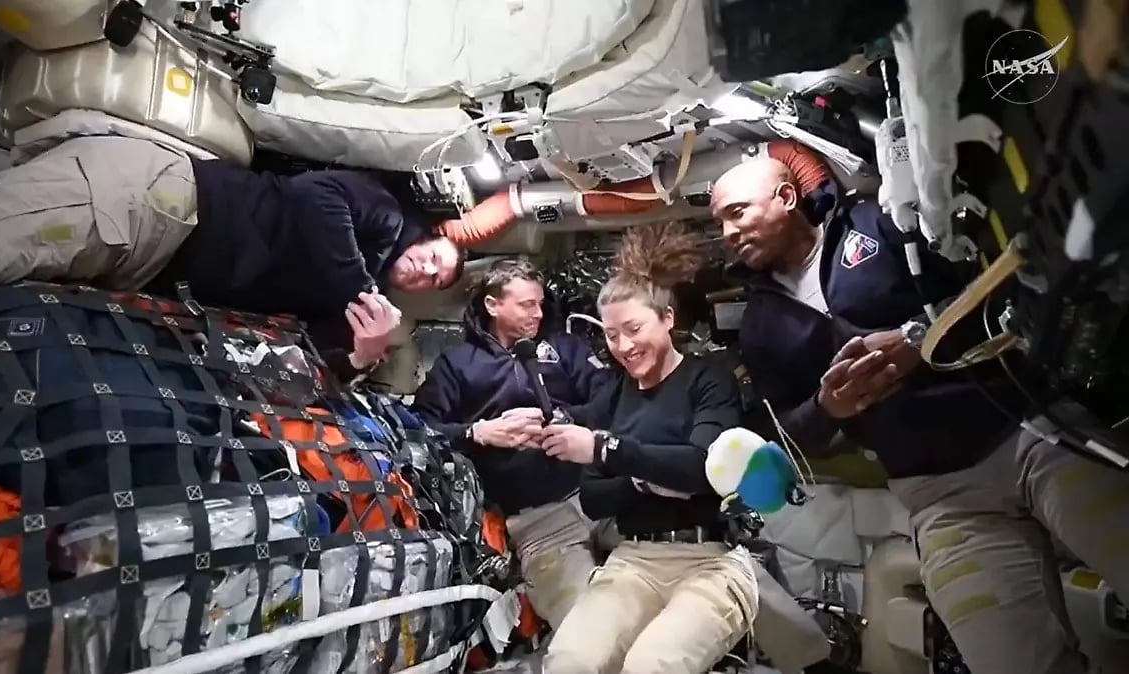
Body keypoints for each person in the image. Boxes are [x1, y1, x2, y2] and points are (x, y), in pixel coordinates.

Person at [711, 152, 1129, 674]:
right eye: (720, 223)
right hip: (938, 494)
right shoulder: (759, 325)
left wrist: (920, 339)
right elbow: (792, 436)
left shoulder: (879, 221)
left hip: (1026, 433)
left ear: (786, 198)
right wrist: (827, 407)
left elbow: (999, 285)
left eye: (737, 212)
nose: (727, 232)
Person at [0, 134, 464, 370]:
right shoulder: (384, 219)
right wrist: (358, 289)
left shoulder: (358, 296)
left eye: (436, 281)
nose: (427, 270)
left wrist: (360, 354)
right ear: (422, 238)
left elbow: (305, 354)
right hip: (157, 204)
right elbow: (314, 197)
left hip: (150, 261)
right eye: (434, 255)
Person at [539, 223, 759, 674]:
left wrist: (607, 450)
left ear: (667, 319)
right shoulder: (613, 397)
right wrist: (650, 474)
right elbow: (595, 499)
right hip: (634, 559)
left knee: (652, 665)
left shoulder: (709, 379)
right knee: (568, 660)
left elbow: (703, 471)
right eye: (611, 335)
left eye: (633, 329)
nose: (623, 345)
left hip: (710, 561)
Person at [411, 258, 616, 629]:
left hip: (598, 488)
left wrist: (568, 419)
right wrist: (479, 433)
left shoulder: (565, 347)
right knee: (585, 626)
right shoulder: (457, 366)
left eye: (540, 303)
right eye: (527, 305)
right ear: (492, 305)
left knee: (678, 556)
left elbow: (610, 398)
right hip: (536, 518)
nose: (538, 313)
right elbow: (419, 430)